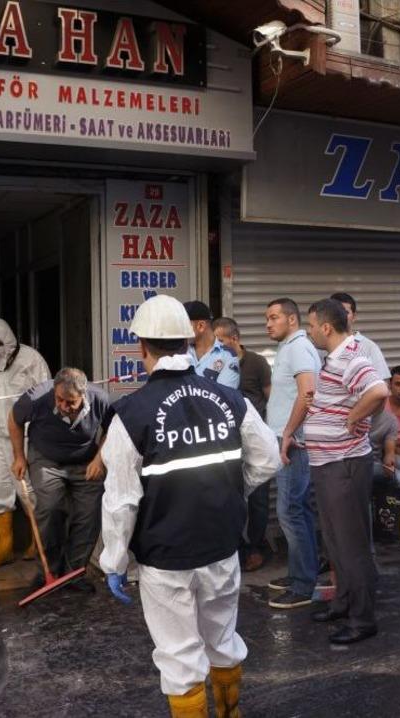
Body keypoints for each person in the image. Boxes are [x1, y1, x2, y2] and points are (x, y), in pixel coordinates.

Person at [98, 294, 280, 718]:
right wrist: (234, 491)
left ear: (142, 348)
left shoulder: (131, 413)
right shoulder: (231, 400)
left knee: (180, 658)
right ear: (187, 341)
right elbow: (268, 459)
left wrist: (114, 560)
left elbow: (122, 500)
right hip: (221, 548)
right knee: (222, 640)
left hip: (166, 559)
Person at [304, 299, 389, 644]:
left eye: (310, 326)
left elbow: (378, 391)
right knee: (335, 541)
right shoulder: (336, 358)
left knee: (351, 545)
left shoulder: (352, 355)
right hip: (328, 463)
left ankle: (362, 618)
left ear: (326, 327)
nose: (309, 332)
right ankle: (343, 602)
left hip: (344, 464)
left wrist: (353, 418)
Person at [8, 367, 110, 591]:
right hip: (46, 458)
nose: (64, 406)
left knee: (89, 515)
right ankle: (49, 571)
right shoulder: (36, 398)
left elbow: (113, 429)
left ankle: (75, 573)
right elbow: (14, 419)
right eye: (59, 400)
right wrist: (19, 456)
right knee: (50, 508)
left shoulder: (101, 399)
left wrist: (99, 458)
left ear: (84, 395)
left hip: (86, 462)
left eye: (70, 402)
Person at [0, 317, 51, 569]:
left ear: (8, 336)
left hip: (24, 435)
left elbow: (47, 392)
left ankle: (40, 542)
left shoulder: (31, 359)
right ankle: (2, 550)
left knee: (26, 488)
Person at [264, 298, 322, 609]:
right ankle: (302, 573)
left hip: (295, 444)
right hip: (289, 440)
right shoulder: (290, 347)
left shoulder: (299, 347)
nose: (268, 324)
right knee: (298, 509)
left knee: (290, 510)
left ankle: (303, 586)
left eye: (274, 318)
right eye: (267, 318)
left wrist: (287, 433)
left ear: (292, 320)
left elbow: (308, 392)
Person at [213, 317, 274, 571]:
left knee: (258, 498)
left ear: (234, 339)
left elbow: (271, 398)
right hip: (226, 442)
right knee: (230, 496)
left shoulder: (257, 363)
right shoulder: (214, 363)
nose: (216, 346)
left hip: (253, 441)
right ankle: (235, 548)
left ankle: (257, 546)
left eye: (221, 341)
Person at [330, 292, 392, 380]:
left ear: (354, 316)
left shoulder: (369, 347)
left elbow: (382, 384)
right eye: (336, 313)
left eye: (345, 312)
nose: (341, 317)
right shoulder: (322, 346)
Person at [184, 300, 240, 388]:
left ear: (201, 326)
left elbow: (223, 396)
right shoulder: (179, 352)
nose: (180, 331)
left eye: (184, 325)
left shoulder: (228, 356)